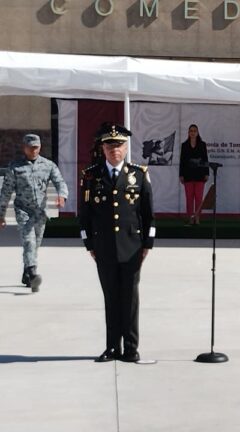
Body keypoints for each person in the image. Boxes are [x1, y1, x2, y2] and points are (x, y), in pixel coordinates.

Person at [79, 123, 155, 363]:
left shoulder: (139, 174)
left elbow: (149, 214)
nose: (115, 150)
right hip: (104, 248)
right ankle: (112, 347)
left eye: (120, 145)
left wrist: (148, 244)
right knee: (111, 297)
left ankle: (131, 348)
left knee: (130, 299)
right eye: (110, 145)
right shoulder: (91, 175)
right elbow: (85, 215)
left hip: (132, 247)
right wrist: (89, 244)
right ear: (103, 148)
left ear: (126, 147)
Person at [0, 134, 68, 292]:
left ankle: (27, 273)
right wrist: (1, 214)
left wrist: (62, 195)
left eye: (36, 147)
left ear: (40, 147)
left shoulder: (48, 165)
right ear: (24, 148)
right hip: (23, 211)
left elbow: (60, 181)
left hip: (41, 212)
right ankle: (32, 273)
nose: (34, 150)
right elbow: (5, 192)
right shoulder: (15, 167)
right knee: (29, 242)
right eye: (30, 147)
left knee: (34, 245)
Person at [178, 124, 209, 225]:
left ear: (197, 132)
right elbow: (182, 161)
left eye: (194, 131)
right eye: (191, 131)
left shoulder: (202, 144)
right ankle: (190, 218)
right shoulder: (184, 145)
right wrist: (181, 175)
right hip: (188, 175)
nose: (193, 132)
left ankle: (197, 217)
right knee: (189, 198)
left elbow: (205, 159)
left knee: (199, 198)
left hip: (200, 175)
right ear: (188, 132)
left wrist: (206, 173)